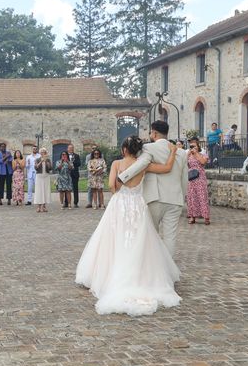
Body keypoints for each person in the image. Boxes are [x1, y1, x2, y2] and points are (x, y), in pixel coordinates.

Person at [76, 135, 181, 316]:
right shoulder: (143, 164)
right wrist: (172, 151)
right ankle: (140, 274)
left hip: (120, 205)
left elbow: (112, 186)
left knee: (114, 238)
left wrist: (119, 185)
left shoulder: (117, 164)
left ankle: (111, 274)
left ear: (124, 149)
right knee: (138, 240)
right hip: (137, 206)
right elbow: (167, 168)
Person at [117, 121, 189, 257]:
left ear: (154, 133)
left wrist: (123, 177)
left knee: (152, 234)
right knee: (170, 237)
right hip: (175, 199)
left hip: (154, 197)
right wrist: (181, 196)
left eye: (151, 132)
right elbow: (184, 178)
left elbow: (142, 163)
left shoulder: (148, 148)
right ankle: (167, 270)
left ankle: (153, 267)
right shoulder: (181, 153)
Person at [186, 137, 211, 225]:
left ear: (198, 146)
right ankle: (192, 217)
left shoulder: (202, 154)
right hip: (191, 178)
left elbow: (203, 162)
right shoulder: (189, 155)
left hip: (200, 178)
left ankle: (206, 217)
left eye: (194, 145)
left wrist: (196, 153)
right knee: (192, 197)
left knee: (202, 197)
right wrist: (189, 153)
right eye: (191, 146)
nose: (192, 147)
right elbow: (184, 163)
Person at [33, 147, 53, 212]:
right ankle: (39, 207)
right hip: (39, 177)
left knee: (45, 191)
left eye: (44, 152)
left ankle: (44, 206)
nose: (43, 153)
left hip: (46, 177)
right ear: (40, 153)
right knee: (39, 191)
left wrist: (46, 162)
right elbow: (36, 167)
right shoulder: (37, 159)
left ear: (45, 153)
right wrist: (41, 161)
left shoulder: (48, 160)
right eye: (41, 152)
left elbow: (50, 168)